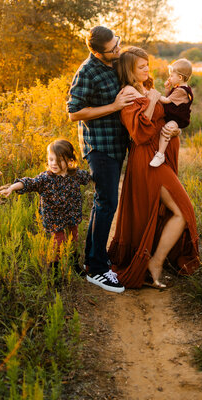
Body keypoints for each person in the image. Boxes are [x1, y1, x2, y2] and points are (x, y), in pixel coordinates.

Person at [108, 46, 200, 289]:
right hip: (147, 159)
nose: (147, 69)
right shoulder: (128, 93)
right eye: (141, 67)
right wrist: (150, 101)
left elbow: (167, 116)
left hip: (159, 156)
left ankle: (155, 261)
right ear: (129, 70)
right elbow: (138, 132)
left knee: (173, 210)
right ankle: (154, 262)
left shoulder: (143, 88)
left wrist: (175, 128)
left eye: (147, 64)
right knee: (182, 210)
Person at [67, 26, 136, 293]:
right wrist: (114, 107)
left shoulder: (114, 60)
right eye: (112, 48)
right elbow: (73, 112)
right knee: (106, 203)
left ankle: (92, 260)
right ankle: (96, 270)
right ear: (96, 51)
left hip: (117, 145)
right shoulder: (87, 71)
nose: (118, 49)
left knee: (104, 203)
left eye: (117, 43)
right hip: (99, 146)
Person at [0, 139, 91, 276]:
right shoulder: (45, 179)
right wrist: (11, 187)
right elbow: (29, 183)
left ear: (69, 160)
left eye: (58, 160)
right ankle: (55, 272)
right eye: (51, 159)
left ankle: (74, 264)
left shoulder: (75, 174)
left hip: (71, 214)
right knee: (59, 242)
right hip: (54, 218)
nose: (53, 163)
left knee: (73, 238)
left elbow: (89, 177)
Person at [150, 58, 194, 167]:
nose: (169, 78)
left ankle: (160, 154)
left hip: (177, 119)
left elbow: (166, 100)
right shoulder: (180, 88)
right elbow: (170, 98)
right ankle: (160, 153)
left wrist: (155, 95)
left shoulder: (181, 91)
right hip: (173, 116)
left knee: (166, 130)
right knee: (165, 129)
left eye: (171, 76)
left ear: (180, 77)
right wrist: (167, 89)